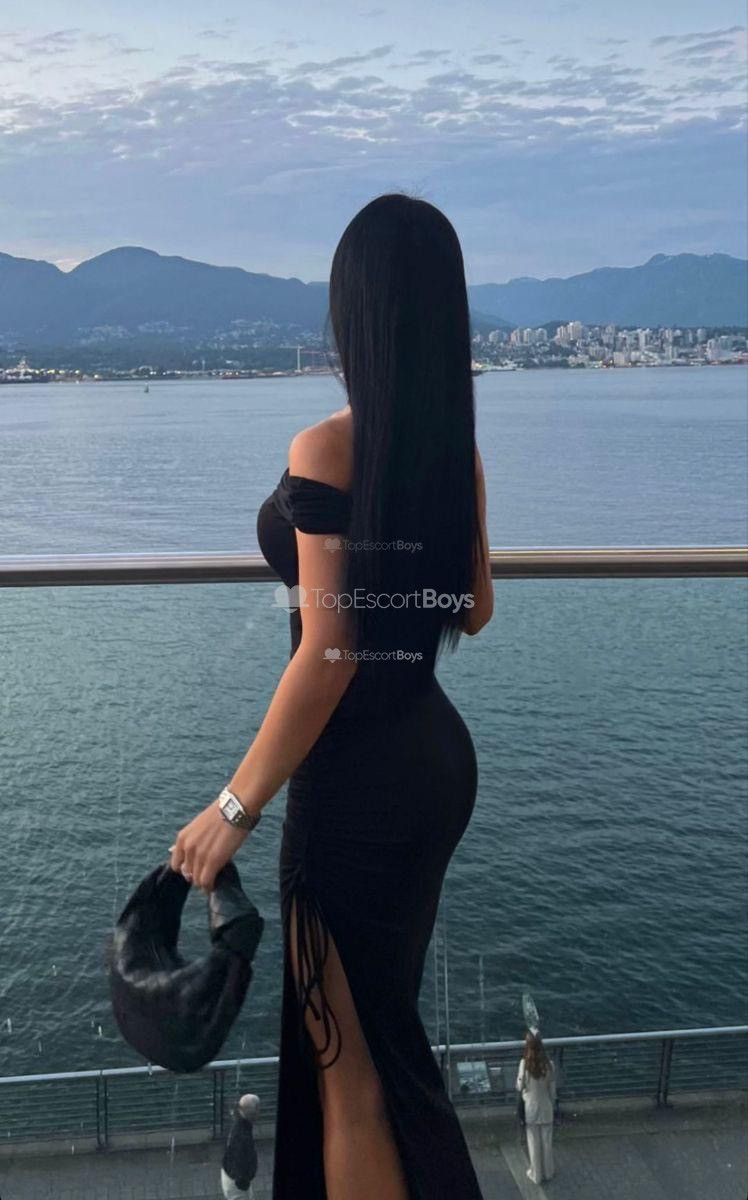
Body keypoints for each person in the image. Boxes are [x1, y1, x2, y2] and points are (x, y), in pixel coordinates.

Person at [170, 192, 494, 1199]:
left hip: (354, 788)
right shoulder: (454, 450)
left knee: (347, 1077)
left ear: (356, 312)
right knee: (386, 1040)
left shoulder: (326, 448)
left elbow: (328, 653)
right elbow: (475, 608)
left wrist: (233, 807)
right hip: (434, 762)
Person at [516, 1030, 556, 1184]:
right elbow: (552, 1092)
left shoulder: (524, 1064)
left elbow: (520, 1086)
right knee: (547, 1142)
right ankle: (548, 1171)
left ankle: (536, 1174)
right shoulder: (549, 1065)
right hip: (546, 1107)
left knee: (533, 1142)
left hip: (531, 1109)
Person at [221, 1093, 260, 1200]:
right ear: (253, 1112)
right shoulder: (242, 1135)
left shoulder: (238, 1124)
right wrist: (243, 1182)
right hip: (236, 1183)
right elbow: (239, 1159)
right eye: (258, 1109)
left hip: (231, 1175)